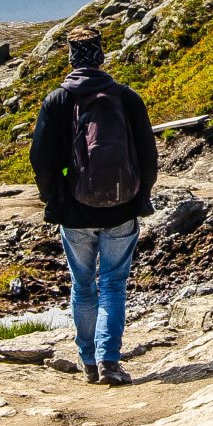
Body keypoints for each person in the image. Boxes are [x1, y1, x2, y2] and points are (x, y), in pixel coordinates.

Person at [31, 26, 157, 385]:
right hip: (121, 208)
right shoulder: (126, 97)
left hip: (74, 212)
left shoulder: (57, 101)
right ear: (101, 56)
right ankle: (109, 360)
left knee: (83, 286)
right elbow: (148, 154)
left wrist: (54, 199)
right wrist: (140, 195)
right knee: (114, 284)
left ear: (71, 58)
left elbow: (41, 159)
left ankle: (88, 360)